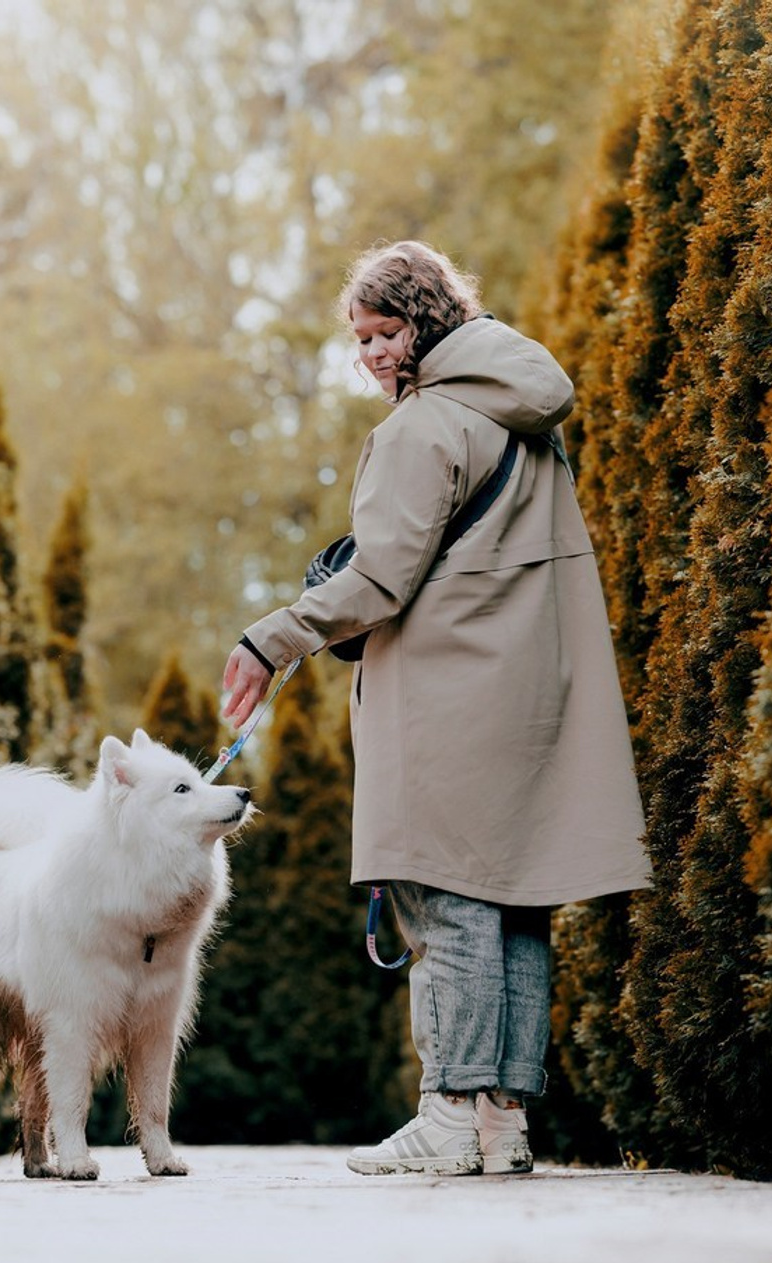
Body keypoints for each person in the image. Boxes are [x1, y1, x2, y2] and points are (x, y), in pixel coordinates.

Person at [222, 240, 650, 1176]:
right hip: (529, 691)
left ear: (427, 321)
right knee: (516, 902)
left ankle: (450, 1113)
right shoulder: (529, 419)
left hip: (444, 696)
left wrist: (273, 637)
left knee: (445, 899)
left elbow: (379, 579)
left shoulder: (421, 429)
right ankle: (504, 1127)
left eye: (386, 332)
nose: (373, 355)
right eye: (361, 339)